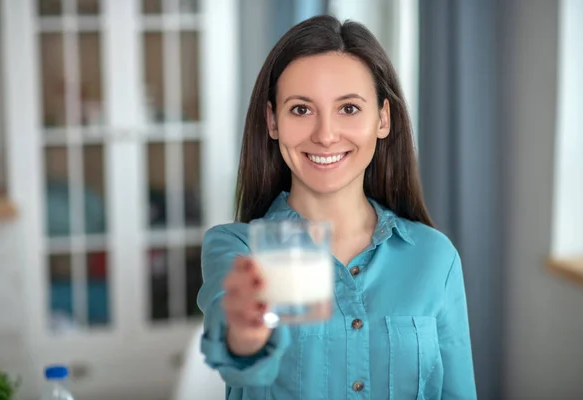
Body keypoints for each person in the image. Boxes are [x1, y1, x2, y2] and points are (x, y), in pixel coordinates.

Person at [197, 15, 477, 400]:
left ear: (382, 118)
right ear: (272, 120)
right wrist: (245, 333)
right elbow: (231, 343)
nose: (325, 135)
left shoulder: (435, 257)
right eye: (300, 110)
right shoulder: (238, 249)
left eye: (348, 109)